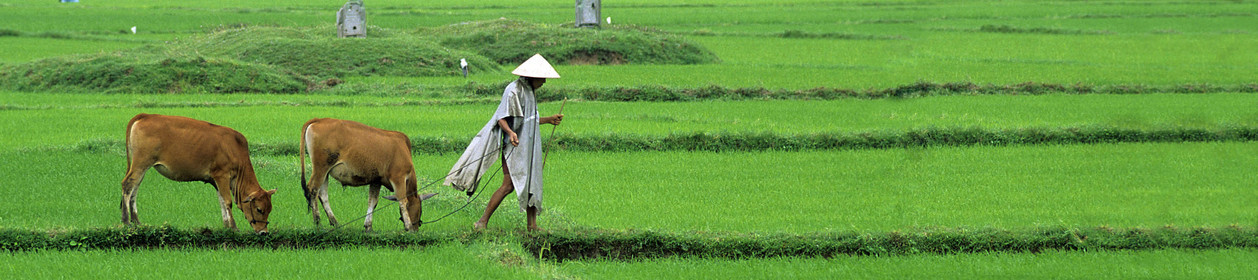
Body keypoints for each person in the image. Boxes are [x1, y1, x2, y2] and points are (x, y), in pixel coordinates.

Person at [445, 54, 563, 231]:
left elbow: (529, 119)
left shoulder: (530, 91)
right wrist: (510, 133)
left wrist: (549, 119)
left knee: (531, 183)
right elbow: (501, 117)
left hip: (529, 148)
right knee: (508, 185)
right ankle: (482, 221)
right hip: (514, 146)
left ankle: (532, 225)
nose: (544, 82)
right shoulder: (513, 90)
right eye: (543, 78)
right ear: (533, 76)